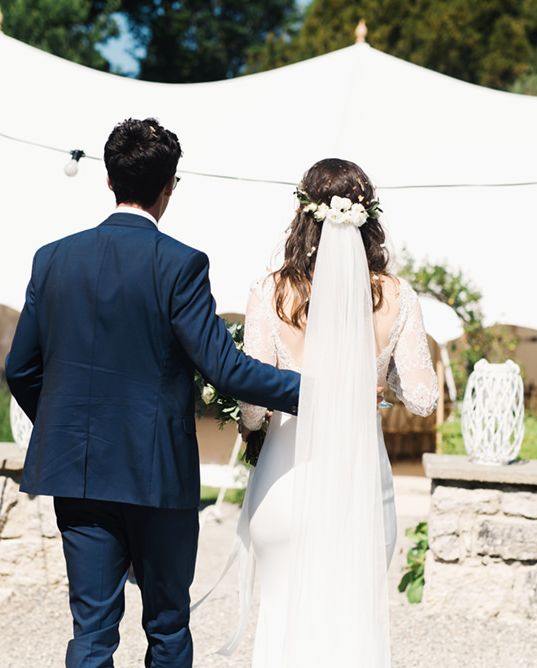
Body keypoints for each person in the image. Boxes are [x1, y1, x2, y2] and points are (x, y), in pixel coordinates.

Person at [4, 117, 301, 668]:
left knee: (91, 633)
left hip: (80, 472)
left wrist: (68, 427)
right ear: (170, 187)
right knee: (167, 628)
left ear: (110, 182)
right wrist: (313, 390)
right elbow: (226, 369)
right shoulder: (180, 264)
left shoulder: (53, 259)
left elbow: (20, 369)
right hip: (156, 474)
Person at [228, 158, 439, 666]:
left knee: (281, 619)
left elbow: (254, 402)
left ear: (304, 215)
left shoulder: (270, 290)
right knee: (353, 623)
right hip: (360, 484)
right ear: (368, 218)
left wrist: (251, 427)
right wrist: (377, 384)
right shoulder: (397, 296)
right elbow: (425, 398)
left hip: (286, 480)